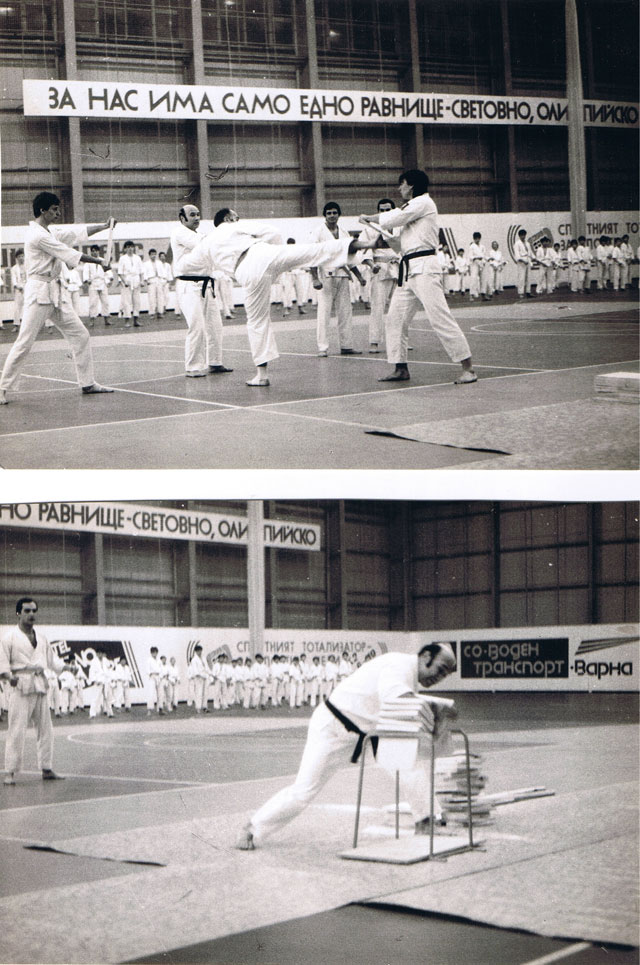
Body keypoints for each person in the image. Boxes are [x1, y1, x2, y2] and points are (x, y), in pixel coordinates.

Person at [235, 642, 457, 850]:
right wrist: (439, 709)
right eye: (440, 670)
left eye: (445, 675)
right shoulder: (399, 665)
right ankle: (251, 829)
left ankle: (428, 821)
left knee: (408, 765)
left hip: (367, 733)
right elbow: (396, 699)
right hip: (332, 728)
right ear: (425, 656)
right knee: (303, 791)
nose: (439, 678)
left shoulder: (407, 673)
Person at [175, 206, 363, 386]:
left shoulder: (207, 240)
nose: (238, 219)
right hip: (262, 255)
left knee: (252, 322)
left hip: (245, 271)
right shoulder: (204, 231)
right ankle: (360, 244)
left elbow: (188, 262)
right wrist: (270, 255)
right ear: (227, 219)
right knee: (310, 252)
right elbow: (273, 232)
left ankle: (257, 374)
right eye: (235, 217)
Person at [359, 170, 476, 385]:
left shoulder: (423, 203)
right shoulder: (413, 211)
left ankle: (468, 368)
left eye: (402, 184)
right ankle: (400, 367)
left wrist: (370, 218)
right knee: (395, 319)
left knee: (439, 317)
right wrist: (383, 238)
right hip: (408, 269)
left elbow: (395, 217)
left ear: (411, 185)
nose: (399, 188)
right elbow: (400, 244)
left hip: (425, 268)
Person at [0, 192, 115, 405]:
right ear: (42, 210)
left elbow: (76, 233)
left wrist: (104, 226)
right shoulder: (37, 235)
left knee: (81, 335)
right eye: (54, 209)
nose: (58, 213)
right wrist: (99, 261)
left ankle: (87, 383)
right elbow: (67, 252)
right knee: (24, 342)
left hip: (56, 294)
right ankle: (2, 388)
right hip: (38, 294)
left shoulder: (50, 231)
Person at [0, 597, 67, 785]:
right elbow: (2, 663)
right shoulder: (9, 638)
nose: (31, 614)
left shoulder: (42, 638)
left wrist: (66, 667)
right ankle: (10, 771)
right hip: (20, 685)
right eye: (27, 611)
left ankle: (46, 768)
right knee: (17, 729)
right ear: (18, 613)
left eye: (34, 611)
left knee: (46, 730)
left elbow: (52, 661)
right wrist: (8, 677)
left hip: (39, 684)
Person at [169, 204, 233, 378]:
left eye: (198, 214)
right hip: (188, 286)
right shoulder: (179, 233)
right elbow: (203, 245)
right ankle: (193, 366)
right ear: (182, 218)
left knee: (215, 325)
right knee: (196, 326)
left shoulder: (201, 235)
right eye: (192, 215)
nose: (197, 217)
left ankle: (215, 362)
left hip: (206, 284)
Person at [309, 202, 360, 357]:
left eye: (334, 213)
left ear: (339, 215)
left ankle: (346, 345)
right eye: (329, 213)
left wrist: (359, 276)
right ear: (325, 215)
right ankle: (322, 347)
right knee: (324, 313)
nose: (332, 216)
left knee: (345, 312)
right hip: (326, 276)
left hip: (342, 275)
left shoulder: (344, 232)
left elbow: (349, 256)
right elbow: (313, 255)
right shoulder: (317, 232)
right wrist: (315, 278)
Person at [358, 199, 400, 353]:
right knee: (377, 307)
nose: (384, 213)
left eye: (387, 210)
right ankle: (374, 342)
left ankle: (400, 340)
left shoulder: (400, 227)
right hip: (380, 269)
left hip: (398, 269)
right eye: (381, 210)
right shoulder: (370, 229)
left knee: (400, 307)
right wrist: (371, 265)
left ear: (393, 211)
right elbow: (364, 249)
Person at [83, 245, 113, 326]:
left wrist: (109, 279)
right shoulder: (88, 262)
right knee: (93, 302)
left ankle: (106, 318)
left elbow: (108, 272)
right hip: (93, 283)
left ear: (98, 251)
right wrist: (87, 280)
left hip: (102, 283)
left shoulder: (103, 261)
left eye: (96, 251)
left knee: (105, 302)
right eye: (93, 251)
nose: (94, 252)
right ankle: (92, 319)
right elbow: (85, 272)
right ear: (91, 252)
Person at [116, 240, 143, 327]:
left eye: (131, 247)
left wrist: (142, 281)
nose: (130, 249)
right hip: (127, 280)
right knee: (126, 301)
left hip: (136, 280)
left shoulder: (137, 258)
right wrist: (125, 282)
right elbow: (120, 272)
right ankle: (127, 320)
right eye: (128, 247)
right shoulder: (122, 258)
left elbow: (141, 271)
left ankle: (136, 320)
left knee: (137, 301)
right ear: (125, 249)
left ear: (134, 248)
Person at [143, 248, 166, 320]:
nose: (153, 256)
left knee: (160, 297)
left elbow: (163, 272)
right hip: (151, 280)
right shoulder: (146, 264)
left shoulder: (159, 263)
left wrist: (163, 280)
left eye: (154, 254)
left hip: (158, 279)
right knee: (151, 297)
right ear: (149, 255)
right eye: (152, 254)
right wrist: (146, 280)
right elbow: (144, 273)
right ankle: (152, 313)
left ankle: (160, 312)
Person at [468, 232, 490, 301]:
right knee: (474, 279)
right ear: (474, 239)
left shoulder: (482, 246)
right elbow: (470, 256)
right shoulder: (472, 246)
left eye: (478, 238)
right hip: (475, 263)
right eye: (476, 239)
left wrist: (487, 259)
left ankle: (483, 294)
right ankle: (471, 295)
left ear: (480, 238)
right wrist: (476, 258)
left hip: (482, 262)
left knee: (483, 279)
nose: (477, 240)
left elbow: (484, 255)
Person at [514, 228, 534, 297]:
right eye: (522, 235)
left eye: (524, 235)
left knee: (529, 277)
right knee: (521, 277)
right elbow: (517, 254)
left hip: (528, 259)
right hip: (521, 261)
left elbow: (530, 252)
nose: (523, 236)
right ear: (519, 236)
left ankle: (528, 292)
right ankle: (521, 292)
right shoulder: (517, 244)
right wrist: (522, 260)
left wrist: (534, 258)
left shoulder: (527, 243)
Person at [10, 250, 26, 333]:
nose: (21, 258)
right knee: (17, 307)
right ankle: (16, 325)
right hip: (18, 289)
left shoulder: (28, 266)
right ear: (16, 258)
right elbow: (13, 279)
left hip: (28, 288)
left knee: (29, 307)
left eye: (22, 256)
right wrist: (18, 286)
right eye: (19, 256)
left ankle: (29, 325)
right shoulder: (14, 268)